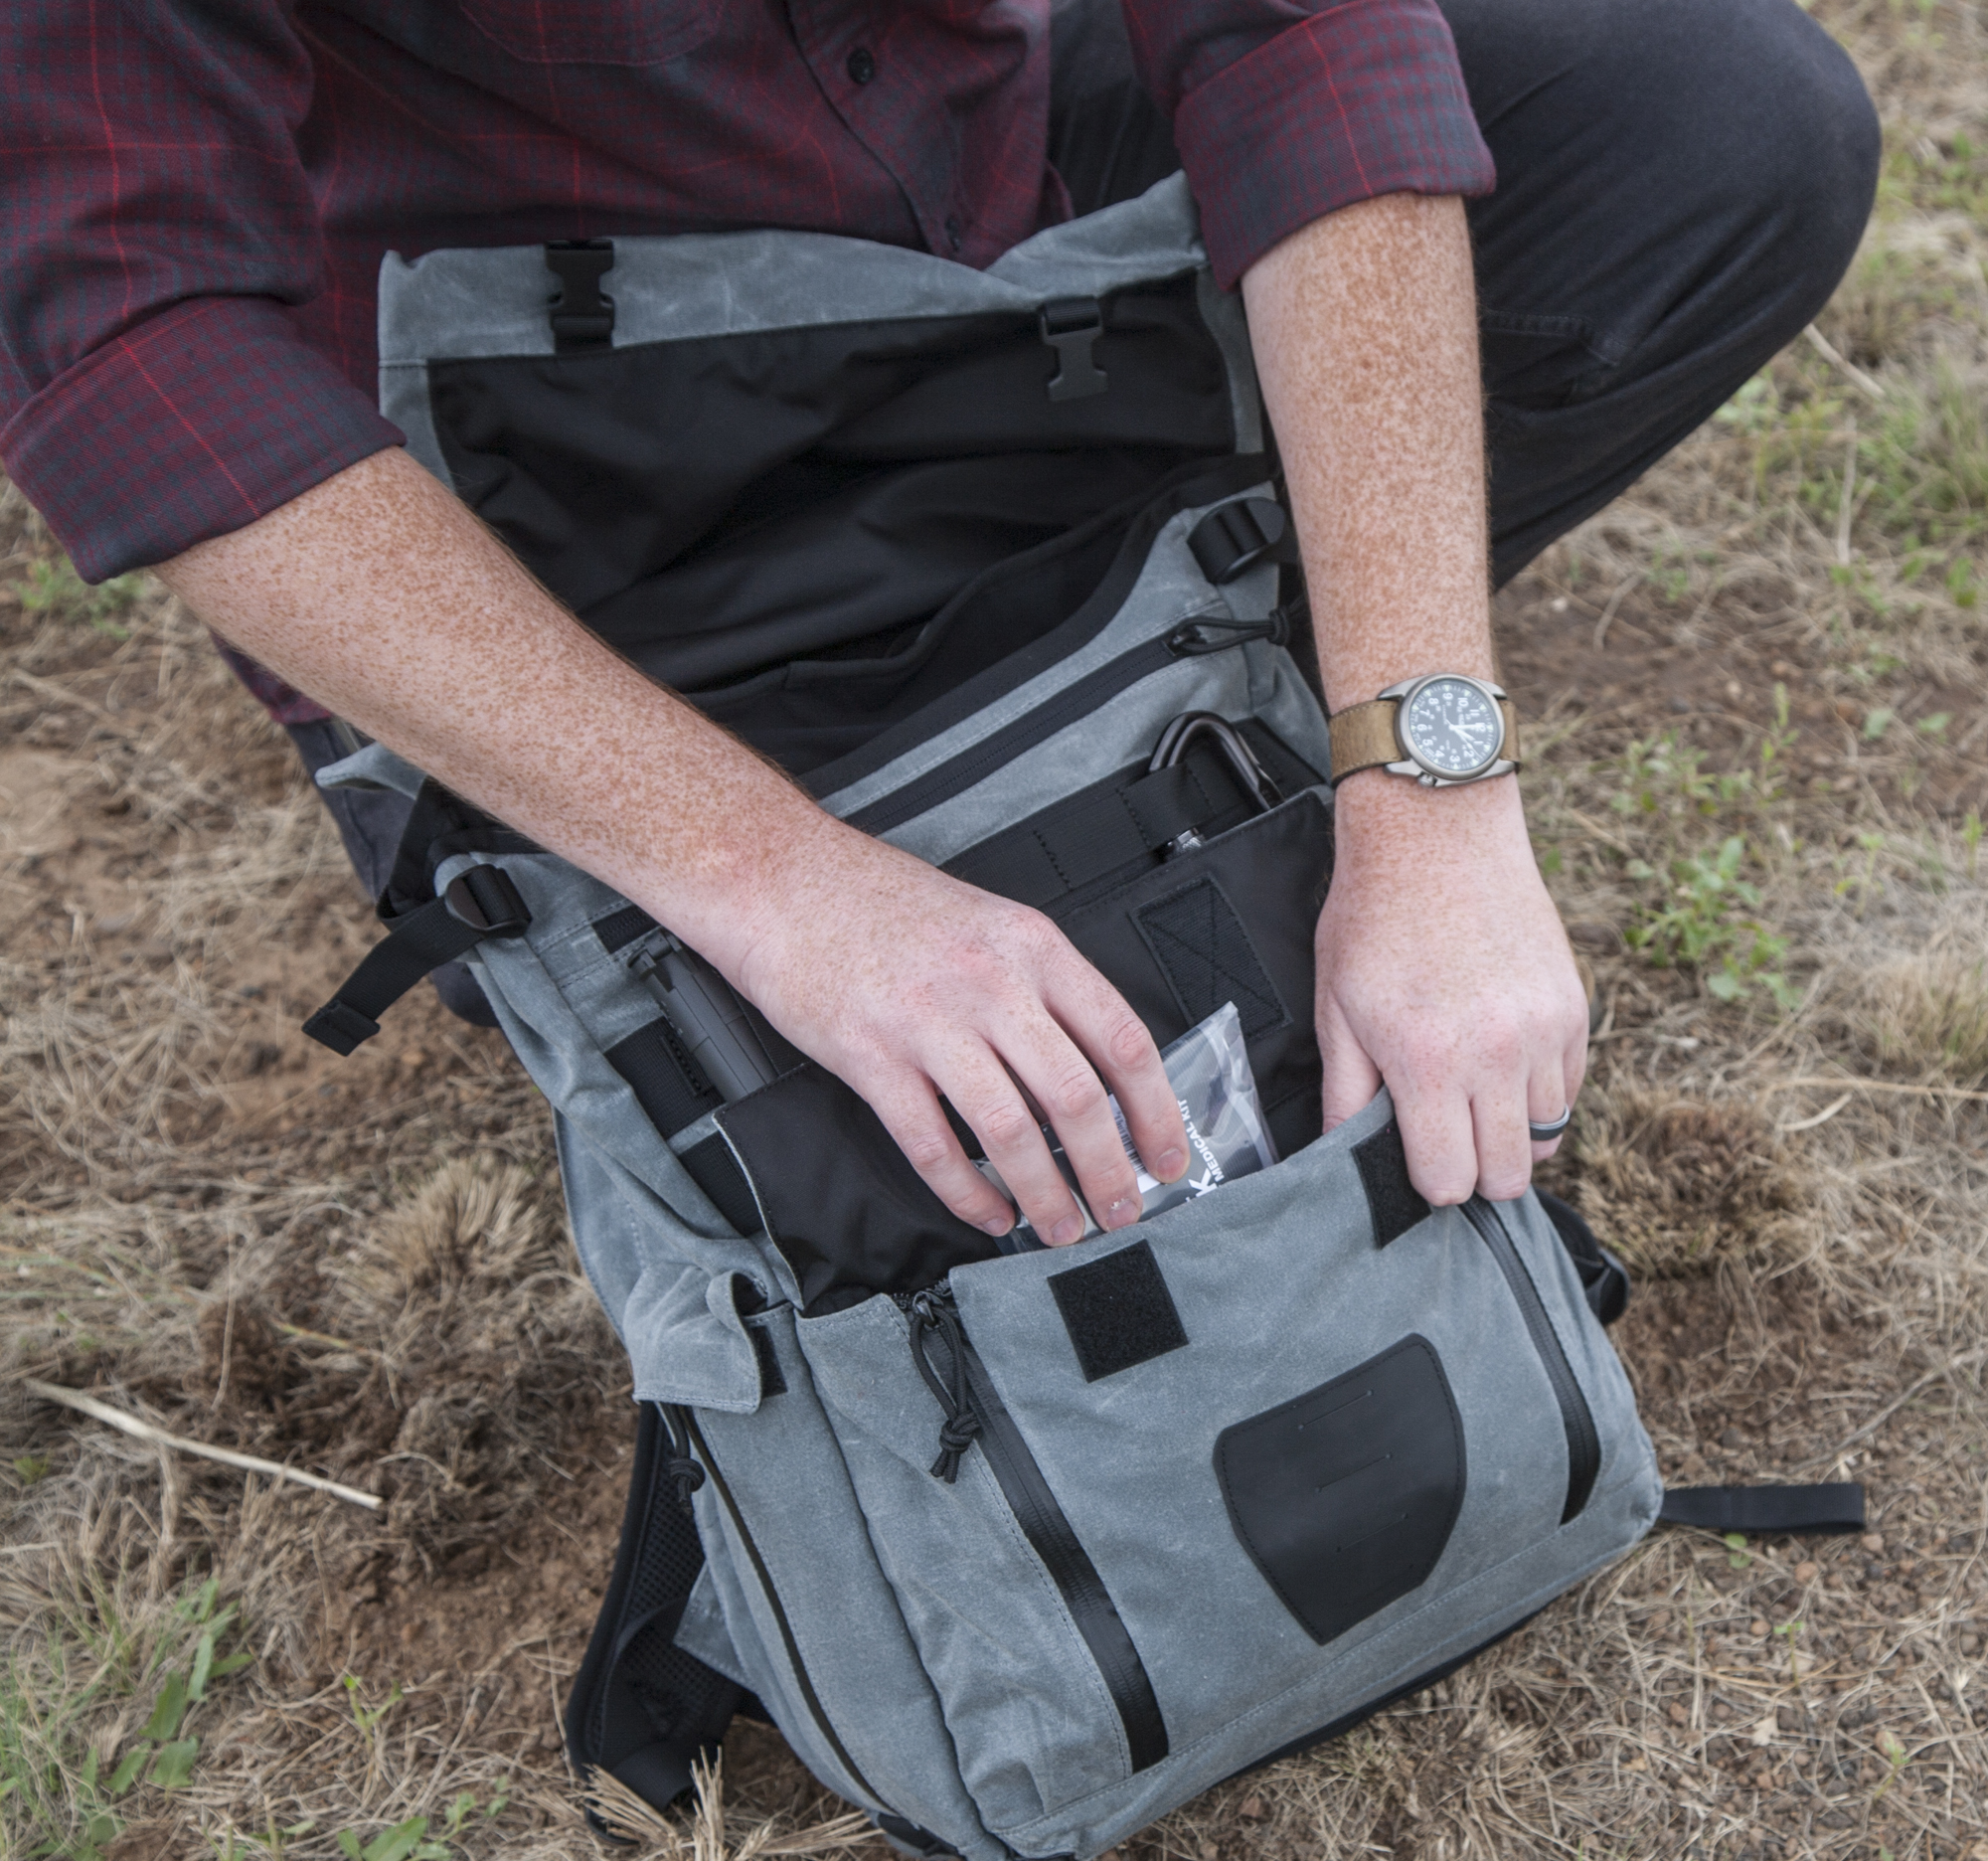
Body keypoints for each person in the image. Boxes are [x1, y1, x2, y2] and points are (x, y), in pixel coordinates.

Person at [0, 0, 1877, 1251]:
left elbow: (1306, 39)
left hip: (984, 245)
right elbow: (138, 342)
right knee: (835, 1074)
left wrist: (1427, 777)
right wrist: (773, 883)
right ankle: (703, 821)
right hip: (576, 461)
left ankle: (1152, 713)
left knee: (1717, 121)